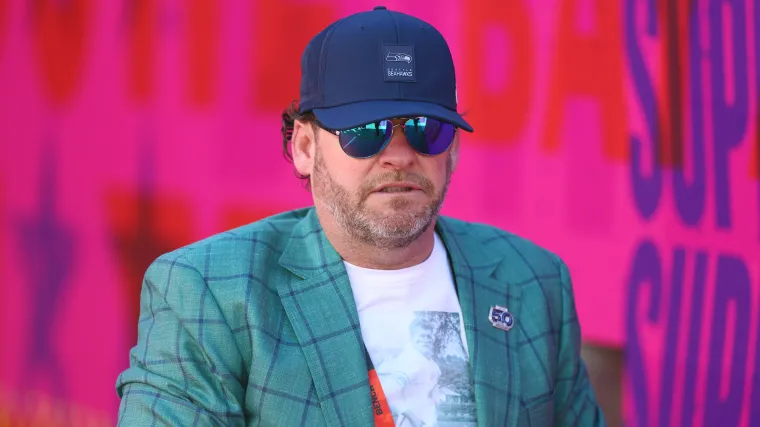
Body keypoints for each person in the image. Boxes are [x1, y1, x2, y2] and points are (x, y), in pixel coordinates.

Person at [115, 6, 607, 427]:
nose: (400, 155)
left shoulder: (533, 280)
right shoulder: (211, 292)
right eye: (367, 130)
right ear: (305, 147)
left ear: (453, 149)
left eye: (426, 129)